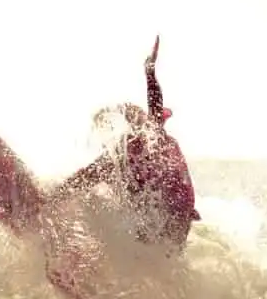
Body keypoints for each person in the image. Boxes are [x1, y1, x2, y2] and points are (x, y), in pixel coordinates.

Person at [44, 36, 201, 257]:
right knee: (148, 246)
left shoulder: (151, 135)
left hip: (176, 212)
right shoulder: (124, 154)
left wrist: (150, 73)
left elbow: (155, 103)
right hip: (170, 215)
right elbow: (88, 176)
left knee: (149, 240)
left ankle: (54, 200)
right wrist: (56, 195)